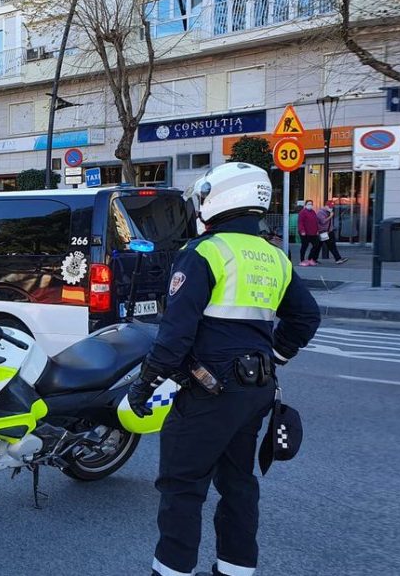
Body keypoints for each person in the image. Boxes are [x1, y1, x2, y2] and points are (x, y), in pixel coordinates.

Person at [127, 162, 320, 576]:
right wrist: (278, 356)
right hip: (256, 391)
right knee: (238, 485)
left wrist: (144, 385)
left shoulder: (203, 253)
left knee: (182, 487)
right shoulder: (275, 257)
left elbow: (175, 335)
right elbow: (306, 318)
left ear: (220, 198)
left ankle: (172, 571)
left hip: (208, 391)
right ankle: (235, 570)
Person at [296, 201, 320, 266]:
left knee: (316, 244)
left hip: (313, 233)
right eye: (309, 204)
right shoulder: (302, 212)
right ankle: (302, 260)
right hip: (305, 233)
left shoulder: (313, 212)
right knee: (304, 246)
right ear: (305, 205)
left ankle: (310, 259)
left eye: (311, 204)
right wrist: (302, 231)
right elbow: (300, 222)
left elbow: (316, 221)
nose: (310, 205)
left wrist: (317, 230)